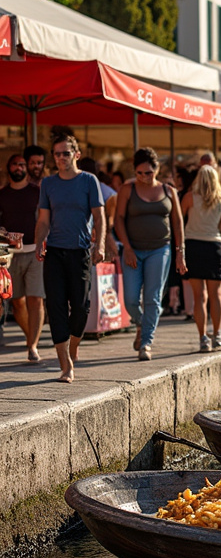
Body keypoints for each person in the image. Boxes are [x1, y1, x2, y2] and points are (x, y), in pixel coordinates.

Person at [33, 136, 105, 382]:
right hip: (54, 251)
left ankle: (73, 345)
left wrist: (100, 244)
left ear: (76, 154)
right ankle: (65, 365)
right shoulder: (48, 183)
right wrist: (39, 241)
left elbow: (99, 217)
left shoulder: (88, 181)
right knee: (56, 307)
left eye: (65, 153)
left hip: (80, 251)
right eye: (56, 154)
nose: (60, 158)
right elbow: (43, 219)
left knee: (81, 307)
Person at [114, 147, 186, 360]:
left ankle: (146, 342)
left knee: (153, 298)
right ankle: (140, 323)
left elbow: (178, 223)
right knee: (130, 299)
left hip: (160, 249)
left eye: (149, 173)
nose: (145, 177)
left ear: (157, 169)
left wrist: (180, 253)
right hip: (133, 250)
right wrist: (126, 247)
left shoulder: (168, 191)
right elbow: (118, 219)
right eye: (140, 173)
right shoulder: (127, 189)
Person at [181, 164, 221, 352]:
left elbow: (179, 219)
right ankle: (217, 335)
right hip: (215, 245)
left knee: (199, 296)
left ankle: (203, 337)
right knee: (216, 295)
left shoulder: (189, 197)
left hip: (193, 244)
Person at [0, 153, 44, 362]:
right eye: (15, 164)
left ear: (27, 169)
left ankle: (33, 346)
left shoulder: (38, 192)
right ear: (9, 168)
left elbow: (46, 219)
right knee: (17, 302)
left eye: (22, 165)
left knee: (36, 299)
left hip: (35, 251)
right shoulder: (2, 194)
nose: (19, 168)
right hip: (10, 255)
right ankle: (30, 338)